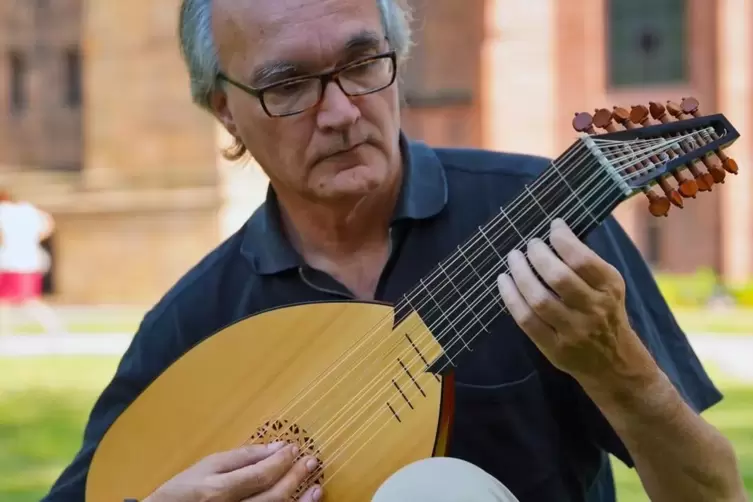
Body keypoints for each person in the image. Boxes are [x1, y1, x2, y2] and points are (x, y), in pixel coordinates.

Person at [43, 0, 746, 501]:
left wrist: (620, 371)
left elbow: (712, 492)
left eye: (361, 63)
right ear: (225, 108)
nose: (342, 111)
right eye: (288, 85)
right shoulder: (195, 320)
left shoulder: (540, 220)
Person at [0, 187, 64, 336]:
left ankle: (54, 326)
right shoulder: (29, 210)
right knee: (8, 300)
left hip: (12, 262)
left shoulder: (3, 211)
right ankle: (4, 331)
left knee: (27, 300)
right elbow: (48, 225)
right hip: (30, 260)